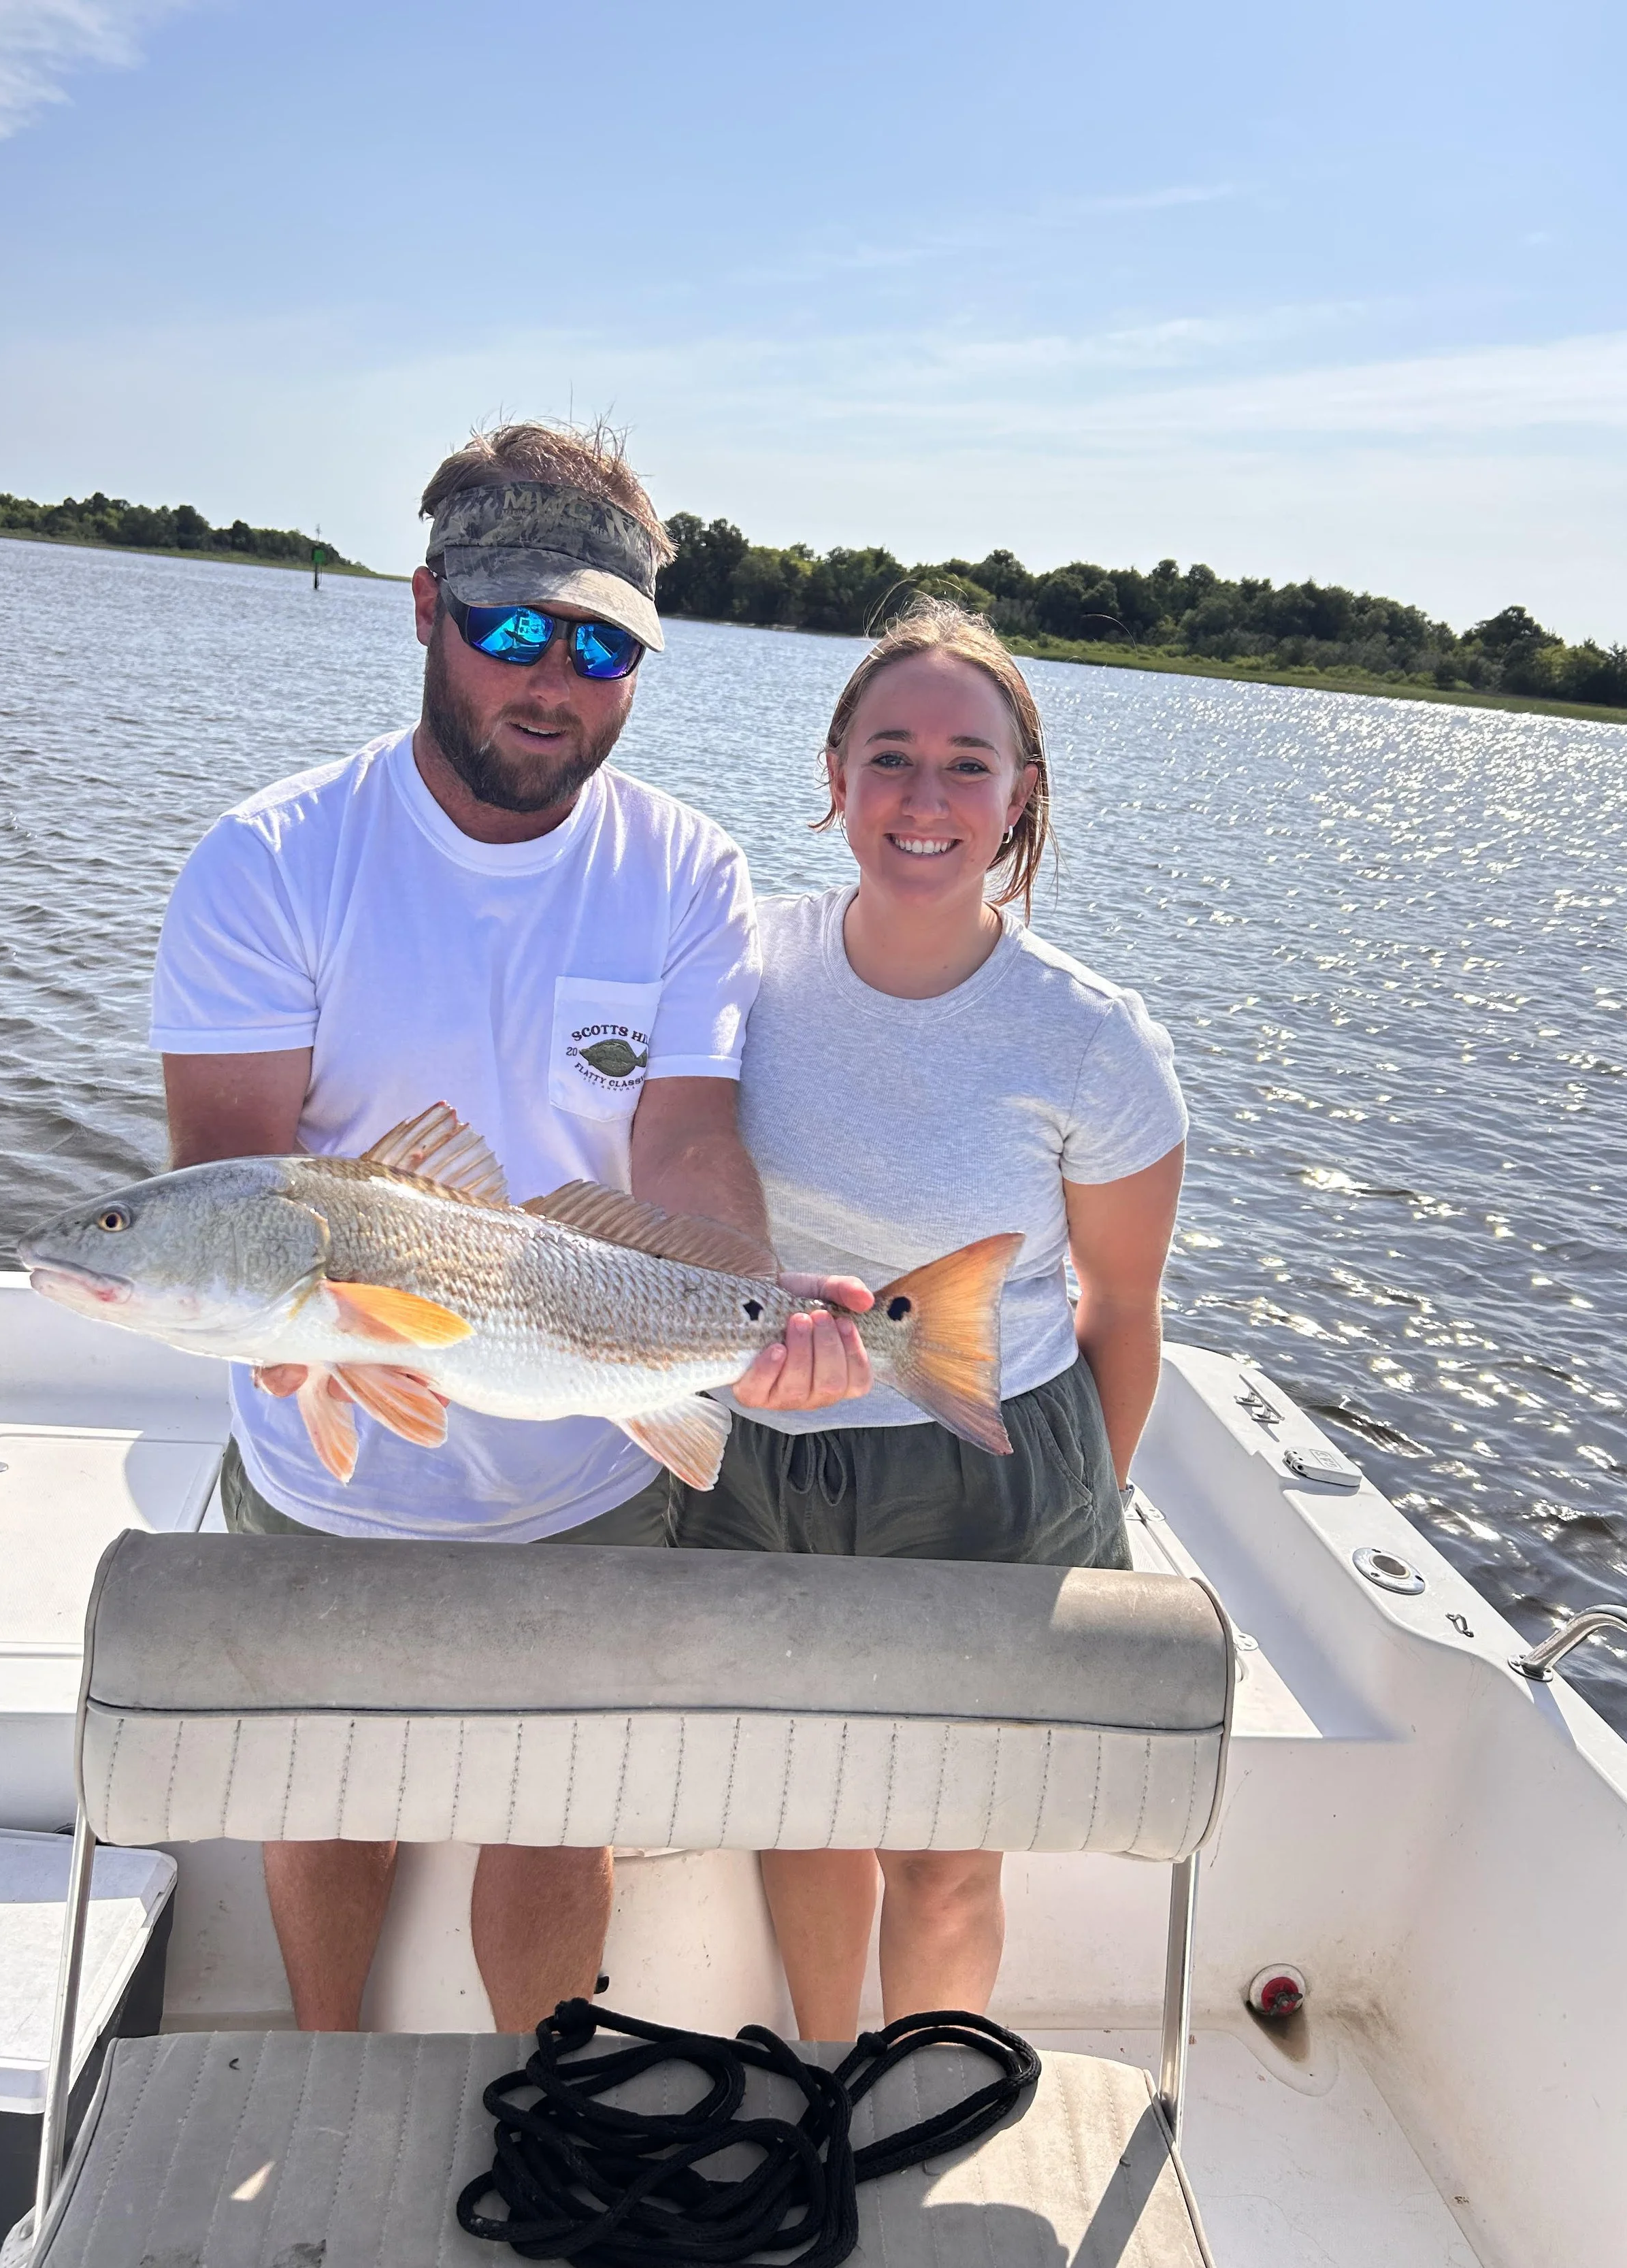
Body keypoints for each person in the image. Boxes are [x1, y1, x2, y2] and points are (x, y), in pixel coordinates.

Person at [150, 421, 871, 2033]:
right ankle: (328, 2068)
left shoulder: (687, 870)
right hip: (324, 1467)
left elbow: (682, 1138)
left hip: (590, 1452)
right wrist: (323, 1367)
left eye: (602, 645)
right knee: (329, 1796)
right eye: (512, 628)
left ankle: (534, 2094)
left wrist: (754, 1321)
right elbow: (230, 1194)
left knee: (557, 1814)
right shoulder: (268, 862)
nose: (552, 679)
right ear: (425, 609)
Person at [674, 599, 1187, 2040]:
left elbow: (1122, 1311)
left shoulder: (1094, 1039)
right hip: (757, 1451)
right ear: (831, 771)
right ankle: (820, 2076)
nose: (924, 795)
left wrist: (1079, 1514)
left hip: (994, 1471)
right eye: (888, 754)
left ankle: (908, 2102)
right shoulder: (734, 969)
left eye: (969, 763)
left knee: (948, 1851)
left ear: (1021, 794)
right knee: (799, 1806)